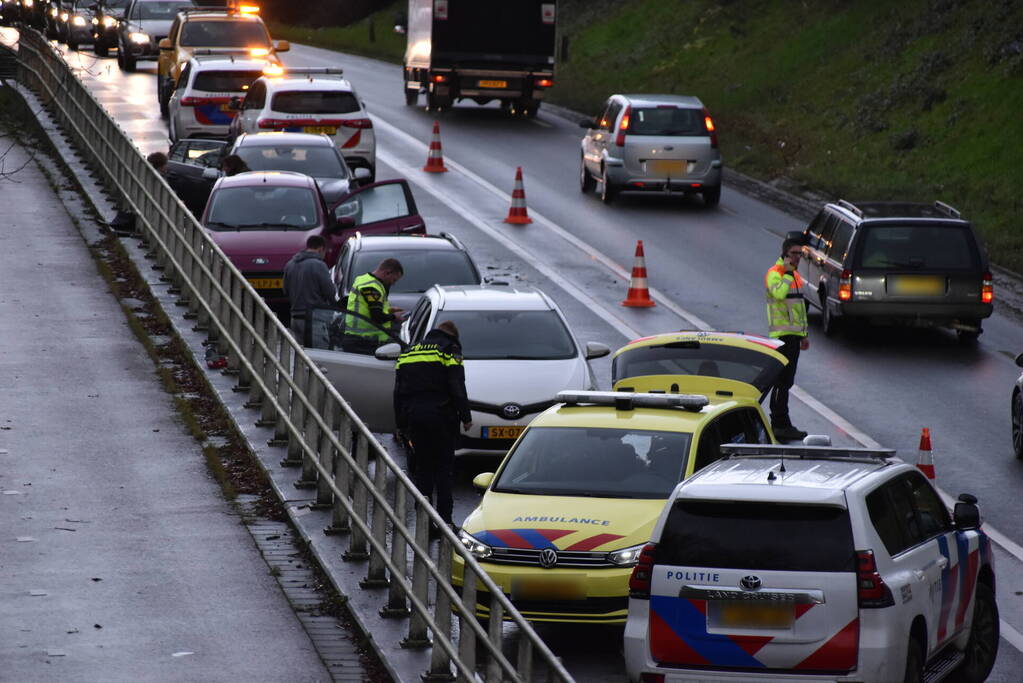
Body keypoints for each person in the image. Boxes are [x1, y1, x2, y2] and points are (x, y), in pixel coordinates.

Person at [393, 320, 472, 533]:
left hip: (415, 419)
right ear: (453, 336)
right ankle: (445, 521)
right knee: (444, 470)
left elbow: (398, 392)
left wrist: (400, 425)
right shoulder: (449, 349)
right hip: (442, 418)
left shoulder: (409, 352)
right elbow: (457, 385)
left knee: (423, 469)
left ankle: (424, 522)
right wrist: (466, 416)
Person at [765, 237, 810, 441]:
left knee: (787, 381)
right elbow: (779, 295)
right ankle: (778, 423)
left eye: (800, 253)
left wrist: (804, 335)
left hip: (793, 335)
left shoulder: (794, 275)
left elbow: (799, 308)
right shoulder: (776, 273)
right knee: (781, 382)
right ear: (785, 254)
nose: (797, 257)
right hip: (781, 335)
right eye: (794, 253)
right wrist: (788, 274)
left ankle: (784, 423)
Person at [341, 258, 405, 354]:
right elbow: (377, 317)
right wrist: (394, 316)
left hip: (357, 340)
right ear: (387, 273)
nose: (393, 283)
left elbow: (366, 308)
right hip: (363, 342)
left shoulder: (363, 279)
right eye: (394, 279)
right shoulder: (372, 287)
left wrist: (388, 310)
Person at [283, 235, 336, 345]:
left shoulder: (290, 264)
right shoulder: (319, 265)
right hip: (315, 319)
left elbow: (285, 290)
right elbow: (330, 293)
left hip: (295, 319)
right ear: (321, 249)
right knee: (319, 358)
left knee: (302, 356)